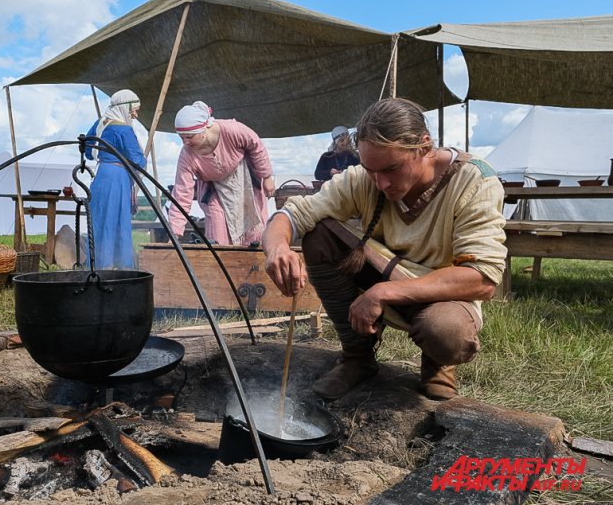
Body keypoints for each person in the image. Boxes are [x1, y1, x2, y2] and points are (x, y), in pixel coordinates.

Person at [263, 97, 507, 401]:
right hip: (383, 271)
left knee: (446, 333)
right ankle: (357, 358)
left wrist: (382, 293)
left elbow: (483, 278)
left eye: (392, 168)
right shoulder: (364, 179)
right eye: (370, 169)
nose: (380, 183)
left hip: (442, 297)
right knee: (320, 236)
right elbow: (291, 215)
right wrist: (277, 249)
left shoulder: (475, 180)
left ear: (424, 146)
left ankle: (438, 364)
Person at [168, 101, 275, 245]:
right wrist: (175, 232)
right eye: (182, 138)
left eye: (189, 137)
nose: (185, 142)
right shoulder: (187, 156)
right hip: (213, 190)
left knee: (253, 227)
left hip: (244, 182)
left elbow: (256, 146)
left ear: (202, 130)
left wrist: (266, 177)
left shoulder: (231, 130)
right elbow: (182, 193)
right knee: (217, 234)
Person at [84, 89, 146, 269]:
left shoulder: (101, 123)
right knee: (117, 221)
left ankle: (97, 265)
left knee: (100, 221)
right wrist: (142, 161)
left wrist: (100, 156)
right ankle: (119, 267)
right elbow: (137, 159)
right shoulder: (123, 129)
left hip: (102, 175)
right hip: (117, 178)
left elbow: (87, 148)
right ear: (124, 108)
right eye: (134, 110)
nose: (135, 114)